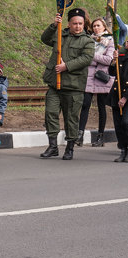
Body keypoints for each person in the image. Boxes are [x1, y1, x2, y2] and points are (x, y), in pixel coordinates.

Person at [40, 8, 95, 160]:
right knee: (50, 114)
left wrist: (66, 66)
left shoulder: (88, 40)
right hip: (54, 85)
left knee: (71, 118)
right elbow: (45, 39)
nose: (78, 26)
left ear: (84, 24)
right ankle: (52, 147)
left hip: (73, 86)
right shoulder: (60, 34)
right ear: (69, 24)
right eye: (74, 23)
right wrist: (53, 25)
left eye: (80, 23)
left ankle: (70, 148)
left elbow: (86, 58)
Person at [75, 17, 114, 146]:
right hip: (88, 76)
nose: (96, 28)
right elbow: (84, 58)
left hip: (101, 77)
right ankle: (79, 135)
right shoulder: (89, 40)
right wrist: (96, 58)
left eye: (98, 25)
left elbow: (108, 60)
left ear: (104, 27)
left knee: (101, 107)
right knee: (85, 105)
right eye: (94, 26)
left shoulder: (109, 40)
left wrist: (92, 57)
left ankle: (100, 137)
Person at [106, 37, 128, 162]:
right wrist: (114, 61)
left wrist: (125, 97)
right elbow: (112, 73)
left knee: (126, 122)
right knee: (119, 125)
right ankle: (123, 150)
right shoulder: (121, 55)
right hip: (117, 94)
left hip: (126, 96)